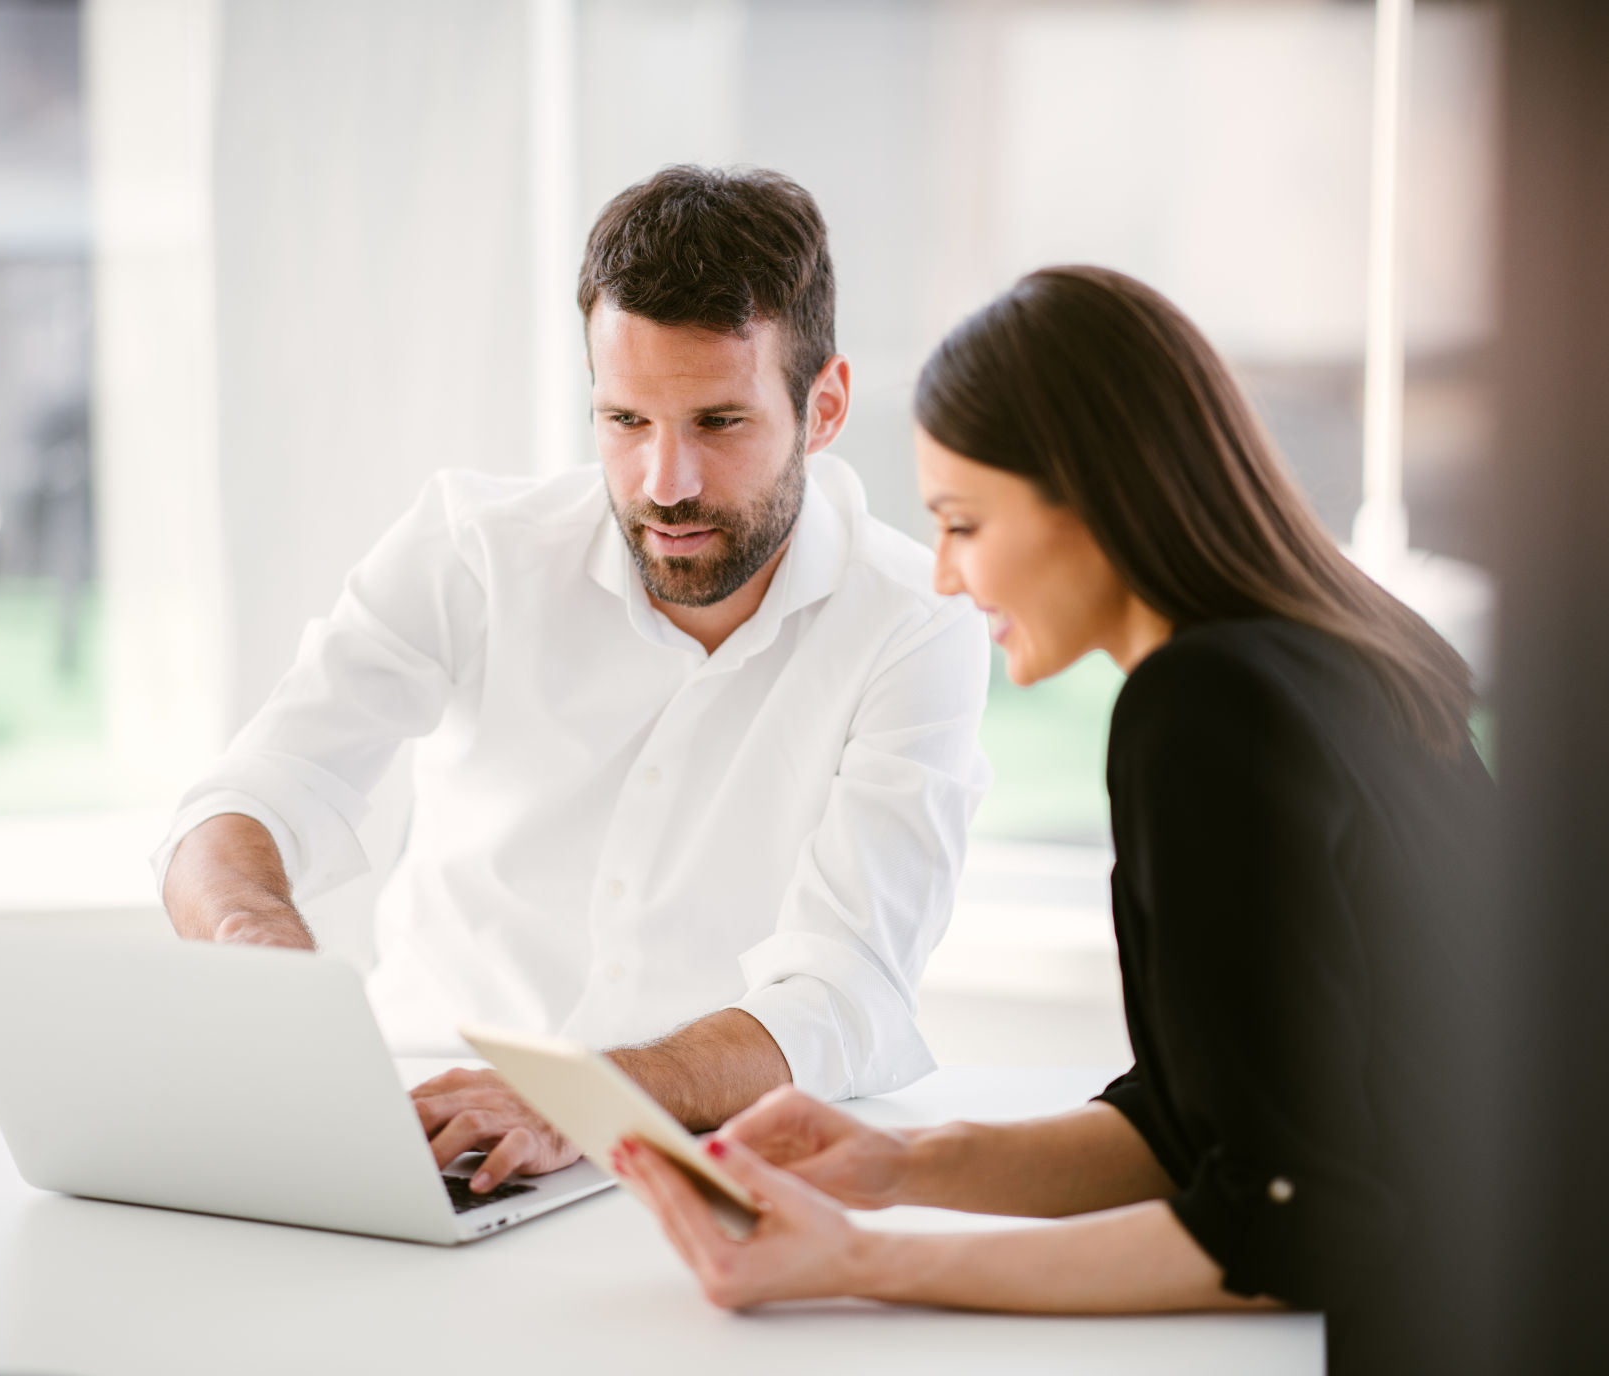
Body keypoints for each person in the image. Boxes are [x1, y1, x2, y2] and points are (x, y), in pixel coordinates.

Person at [612, 264, 1497, 1371]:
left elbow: (1285, 1215)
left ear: (1093, 495)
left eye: (963, 522)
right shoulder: (1334, 657)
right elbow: (1200, 1130)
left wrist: (862, 1263)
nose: (942, 575)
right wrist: (904, 1167)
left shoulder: (1205, 706)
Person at [154, 167, 990, 1193]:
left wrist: (586, 1096)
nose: (664, 484)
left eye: (719, 424)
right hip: (415, 1140)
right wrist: (253, 941)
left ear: (825, 407)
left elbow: (845, 986)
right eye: (625, 421)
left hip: (707, 1162)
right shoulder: (472, 550)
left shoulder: (915, 622)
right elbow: (253, 793)